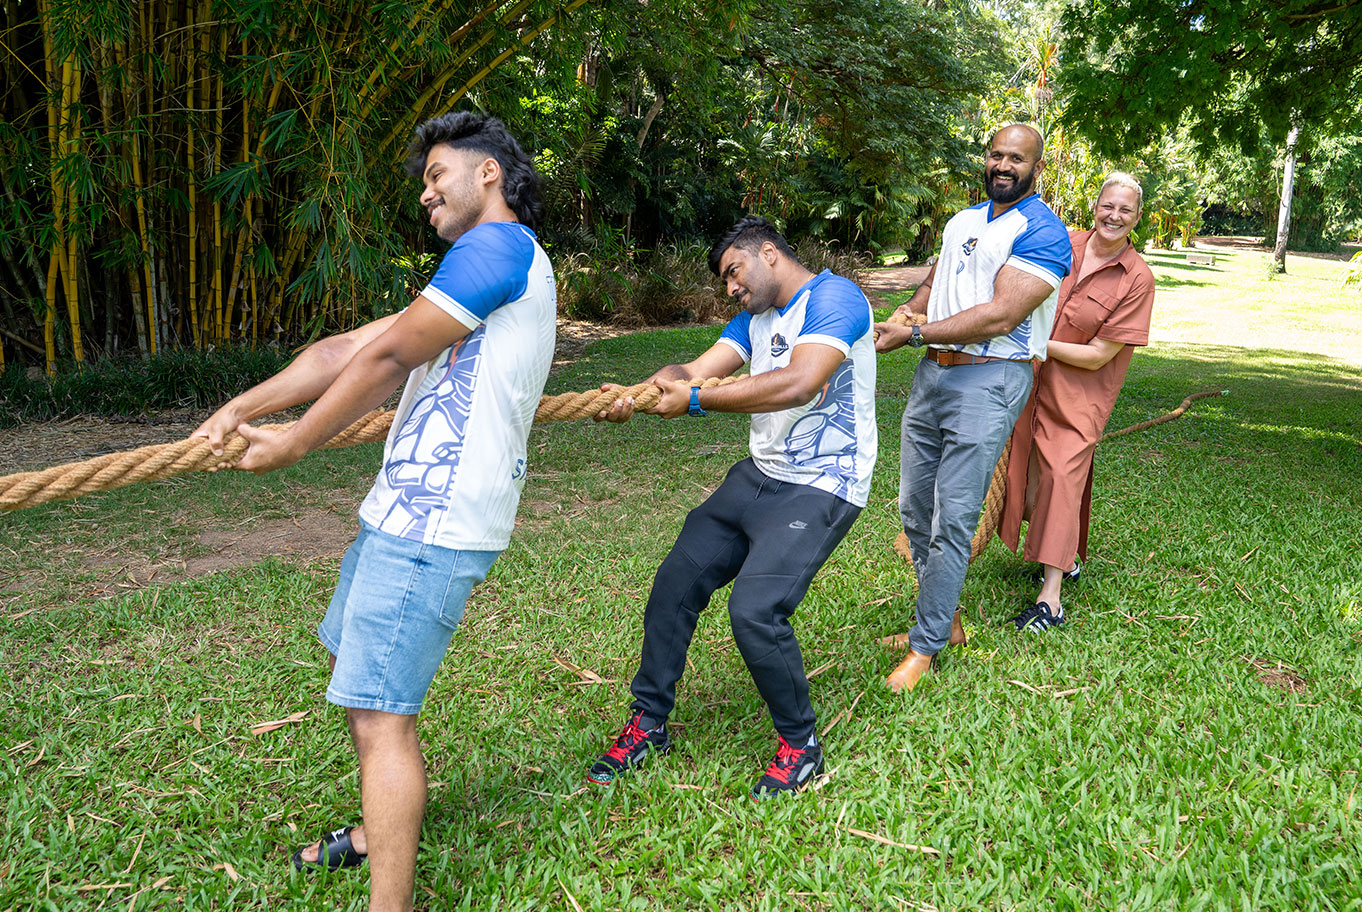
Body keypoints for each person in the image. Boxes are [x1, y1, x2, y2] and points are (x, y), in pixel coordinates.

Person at [193, 113, 555, 912]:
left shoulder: (498, 248)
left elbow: (390, 362)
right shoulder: (468, 271)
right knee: (358, 685)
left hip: (437, 521)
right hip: (402, 509)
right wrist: (240, 404)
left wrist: (294, 443)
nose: (425, 192)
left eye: (437, 175)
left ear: (488, 172)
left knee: (381, 716)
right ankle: (371, 831)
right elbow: (345, 351)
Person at [586, 216, 876, 800]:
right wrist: (638, 393)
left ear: (769, 252)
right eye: (725, 280)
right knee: (676, 581)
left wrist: (694, 401)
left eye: (733, 272)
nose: (730, 288)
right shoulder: (753, 321)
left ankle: (801, 747)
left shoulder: (836, 298)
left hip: (823, 483)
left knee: (755, 611)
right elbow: (692, 370)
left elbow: (801, 382)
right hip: (759, 477)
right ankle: (649, 725)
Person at [873, 124, 1071, 693]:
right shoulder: (963, 221)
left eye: (1017, 158)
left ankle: (925, 646)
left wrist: (916, 335)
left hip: (991, 378)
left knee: (955, 515)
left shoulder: (1043, 232)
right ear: (986, 159)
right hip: (934, 372)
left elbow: (1000, 316)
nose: (1004, 164)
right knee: (914, 509)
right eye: (996, 154)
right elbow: (937, 284)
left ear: (1036, 166)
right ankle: (948, 622)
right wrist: (907, 316)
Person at [998, 172, 1155, 632]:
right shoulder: (1062, 242)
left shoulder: (1137, 278)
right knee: (1022, 477)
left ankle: (1051, 600)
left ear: (1137, 218)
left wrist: (1036, 341)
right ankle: (1064, 555)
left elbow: (1099, 355)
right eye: (1109, 205)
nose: (1115, 215)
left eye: (1125, 210)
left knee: (1063, 477)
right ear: (1096, 206)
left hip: (1079, 396)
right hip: (1026, 382)